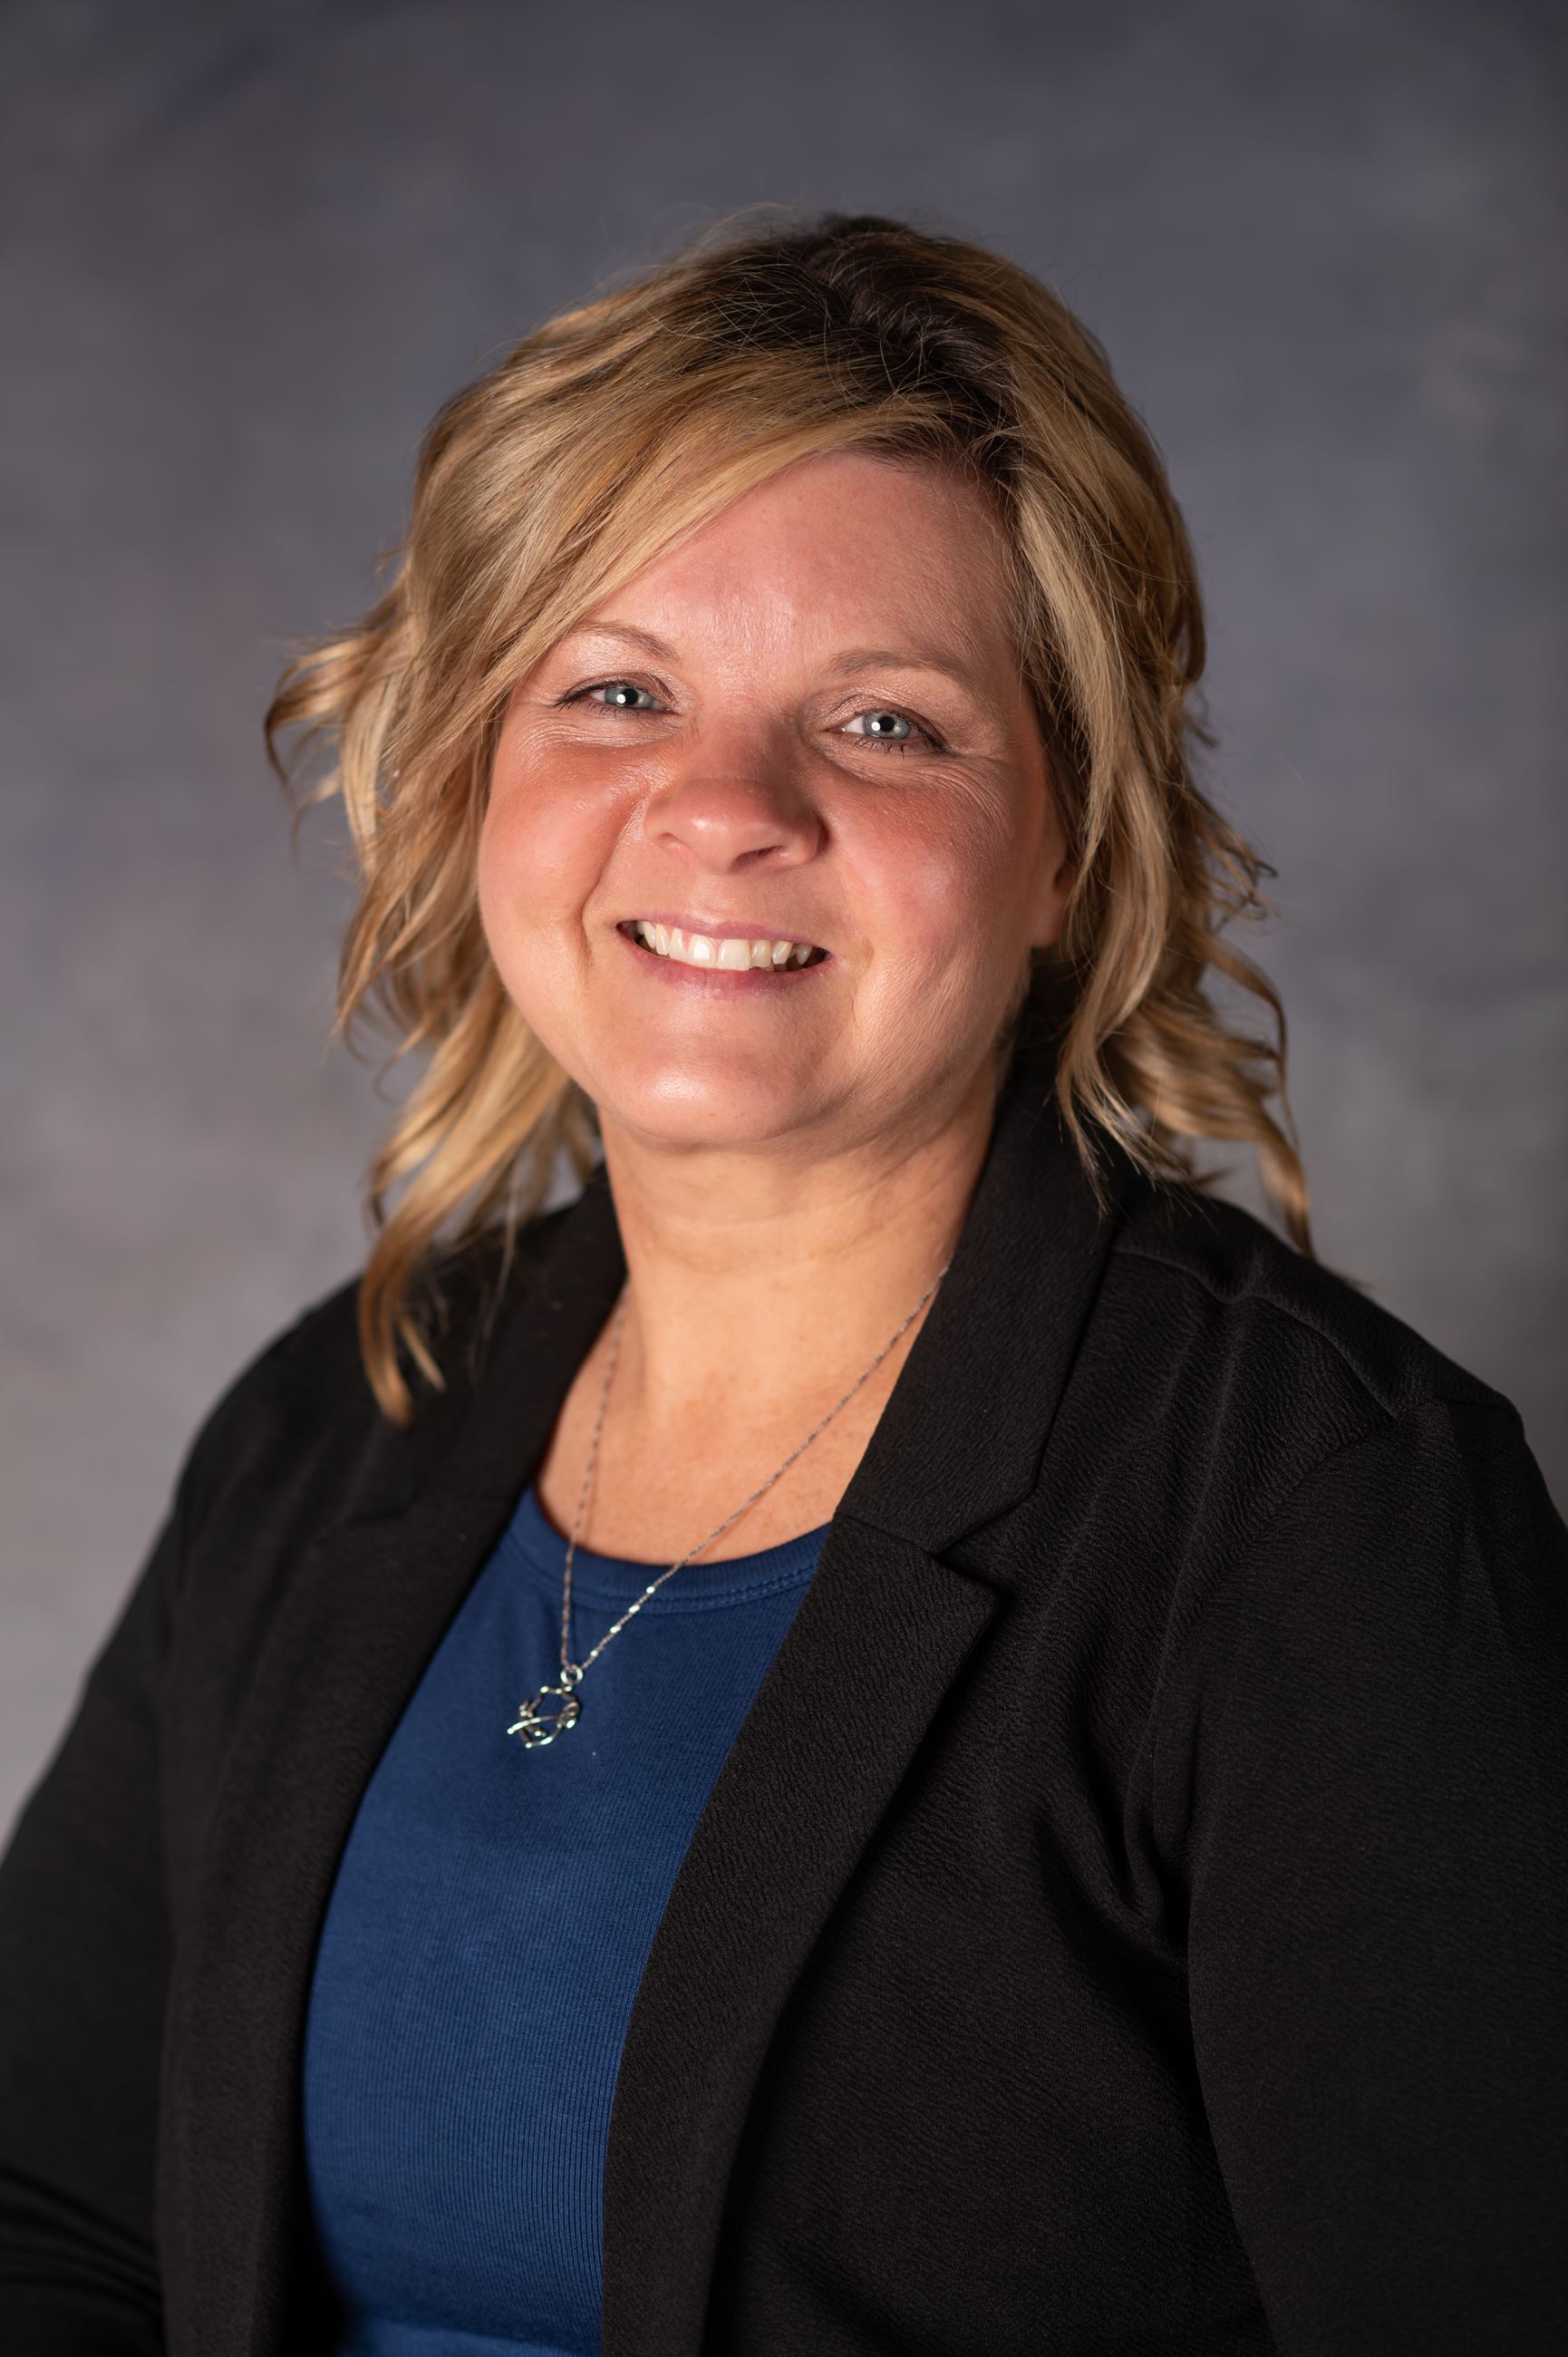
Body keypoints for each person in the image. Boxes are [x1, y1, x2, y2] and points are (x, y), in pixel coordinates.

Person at [1, 211, 1563, 2357]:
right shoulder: (336, 1419)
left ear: (1075, 847)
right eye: (618, 690)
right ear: (473, 775)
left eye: (887, 725)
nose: (723, 808)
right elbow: (47, 2220)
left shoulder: (1321, 1519)